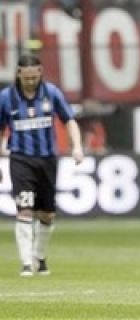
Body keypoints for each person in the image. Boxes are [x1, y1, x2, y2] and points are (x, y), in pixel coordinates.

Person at [0, 54, 83, 276]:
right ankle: (26, 262)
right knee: (25, 210)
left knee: (47, 215)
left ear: (40, 73)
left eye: (34, 77)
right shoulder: (6, 98)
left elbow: (70, 120)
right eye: (26, 78)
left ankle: (39, 255)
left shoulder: (52, 93)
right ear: (18, 74)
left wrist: (77, 146)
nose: (30, 82)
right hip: (20, 159)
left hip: (47, 160)